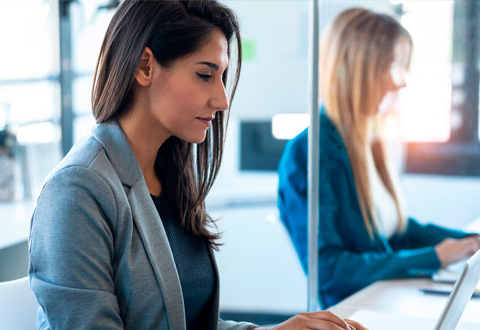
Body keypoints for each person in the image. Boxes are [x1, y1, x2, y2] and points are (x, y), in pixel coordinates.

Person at [29, 1, 366, 329]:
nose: (221, 100)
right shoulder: (77, 191)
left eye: (221, 77)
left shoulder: (169, 173)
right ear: (145, 67)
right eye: (205, 75)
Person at [278, 8, 480, 309]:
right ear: (361, 70)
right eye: (396, 67)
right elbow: (329, 270)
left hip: (386, 299)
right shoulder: (310, 152)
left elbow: (395, 231)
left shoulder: (367, 142)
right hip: (356, 311)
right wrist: (436, 256)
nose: (402, 83)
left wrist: (469, 241)